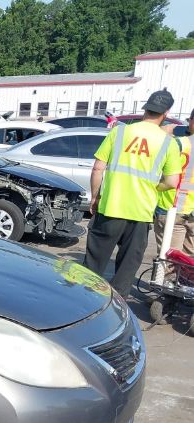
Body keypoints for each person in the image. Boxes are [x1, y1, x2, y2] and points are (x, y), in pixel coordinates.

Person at [83, 90, 183, 297]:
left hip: (110, 207)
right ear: (165, 113)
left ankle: (84, 300)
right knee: (127, 268)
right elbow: (172, 182)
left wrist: (95, 197)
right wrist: (154, 189)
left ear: (145, 109)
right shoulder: (168, 143)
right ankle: (116, 307)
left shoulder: (119, 132)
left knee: (93, 263)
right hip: (141, 212)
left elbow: (97, 169)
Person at [154, 108, 194, 257]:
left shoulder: (180, 144)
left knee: (169, 258)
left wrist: (165, 132)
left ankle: (165, 281)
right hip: (188, 212)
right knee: (189, 262)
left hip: (173, 208)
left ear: (191, 121)